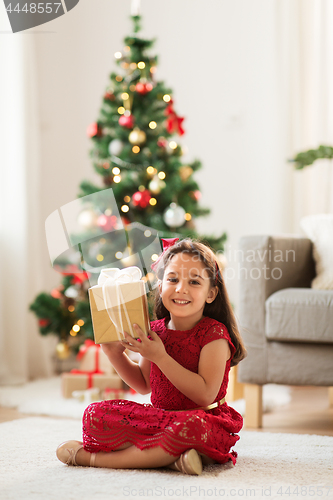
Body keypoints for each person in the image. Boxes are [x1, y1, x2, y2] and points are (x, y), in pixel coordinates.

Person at [56, 238, 246, 475]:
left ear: (211, 294)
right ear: (160, 285)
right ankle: (173, 459)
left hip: (204, 422)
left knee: (190, 427)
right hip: (161, 420)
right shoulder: (155, 330)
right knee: (95, 413)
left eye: (194, 282)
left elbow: (205, 393)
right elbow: (143, 385)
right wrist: (113, 353)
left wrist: (161, 357)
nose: (181, 289)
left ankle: (92, 459)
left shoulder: (214, 334)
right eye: (173, 279)